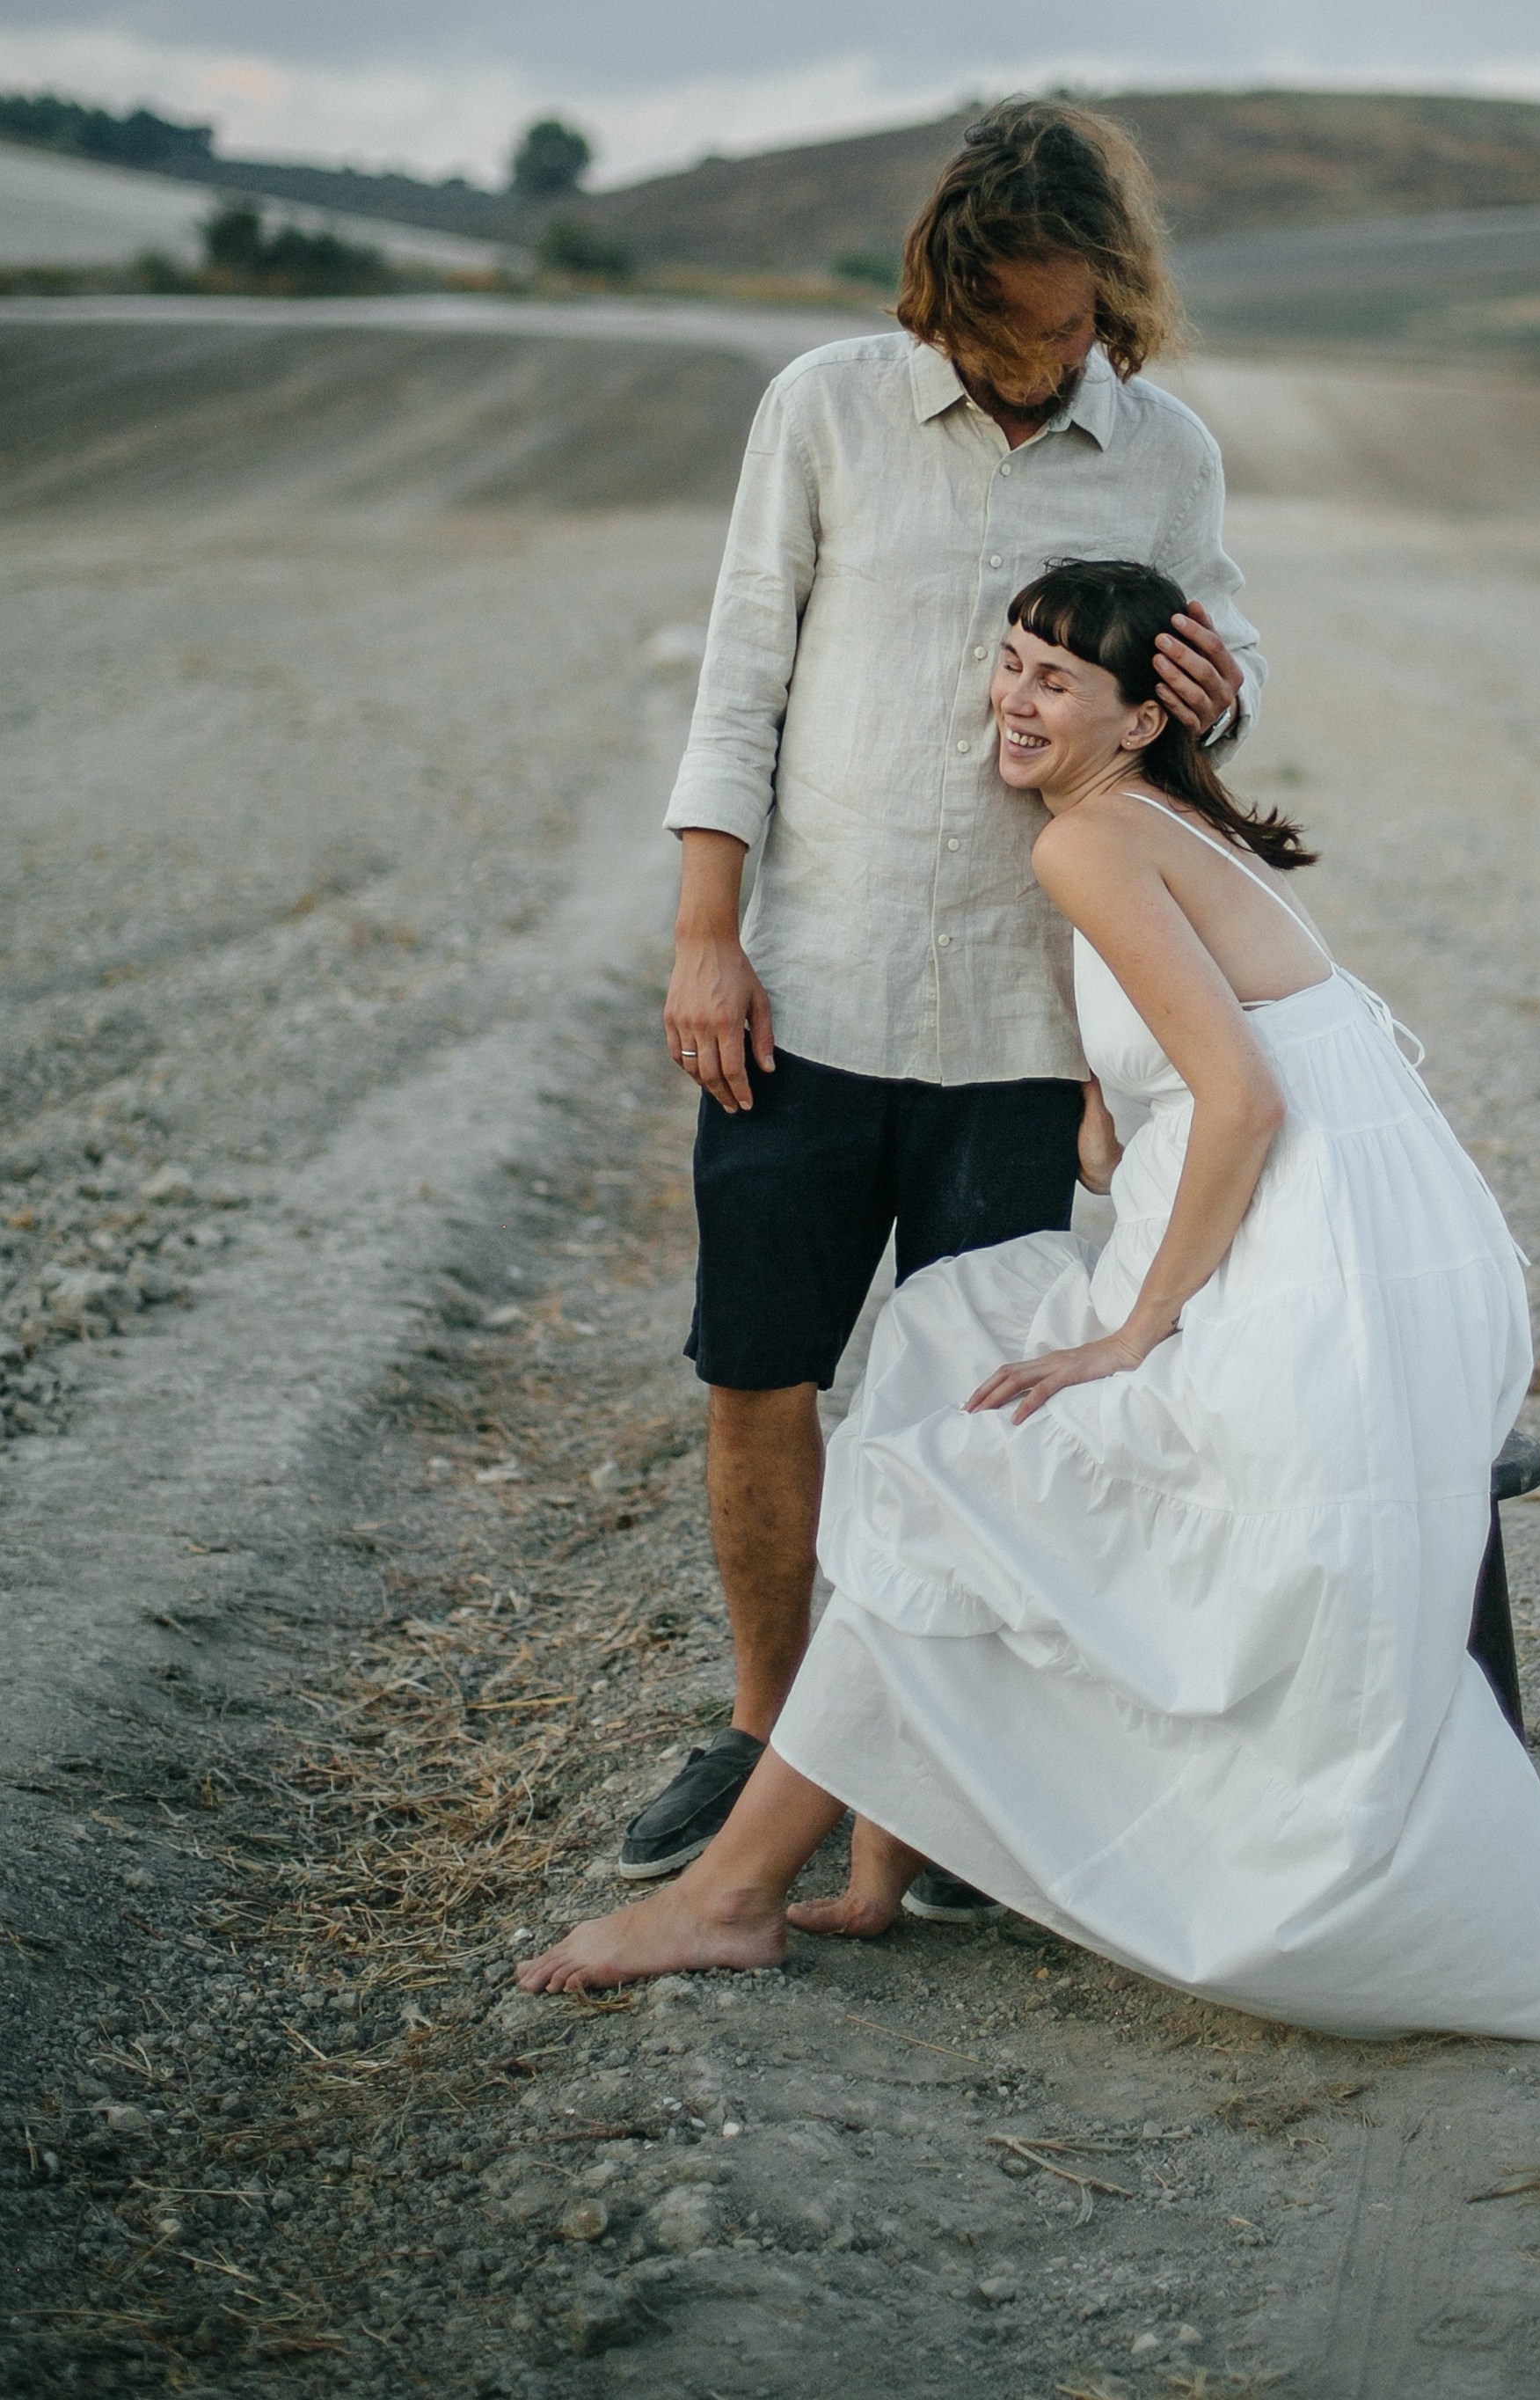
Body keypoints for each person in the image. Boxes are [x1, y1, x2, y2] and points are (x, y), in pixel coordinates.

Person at [527, 560, 1540, 2042]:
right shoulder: (1152, 825)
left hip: (1325, 1281)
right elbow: (1147, 1126)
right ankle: (884, 1849)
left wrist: (1135, 1333)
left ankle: (732, 1894)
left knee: (970, 1467)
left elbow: (1243, 1103)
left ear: (1140, 720)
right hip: (1365, 1242)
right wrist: (1106, 1101)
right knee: (944, 1329)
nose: (1015, 698)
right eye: (1011, 661)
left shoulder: (1091, 842)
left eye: (1056, 680)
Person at [619, 103, 1264, 1901]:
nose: (1040, 358)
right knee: (761, 1375)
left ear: (1111, 294)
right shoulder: (823, 406)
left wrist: (1222, 693)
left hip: (1020, 1023)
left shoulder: (1167, 453)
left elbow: (1225, 670)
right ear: (946, 288)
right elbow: (742, 671)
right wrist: (704, 932)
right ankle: (771, 1740)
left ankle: (945, 1777)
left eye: (1070, 323)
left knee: (979, 1419)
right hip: (806, 994)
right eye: (1007, 324)